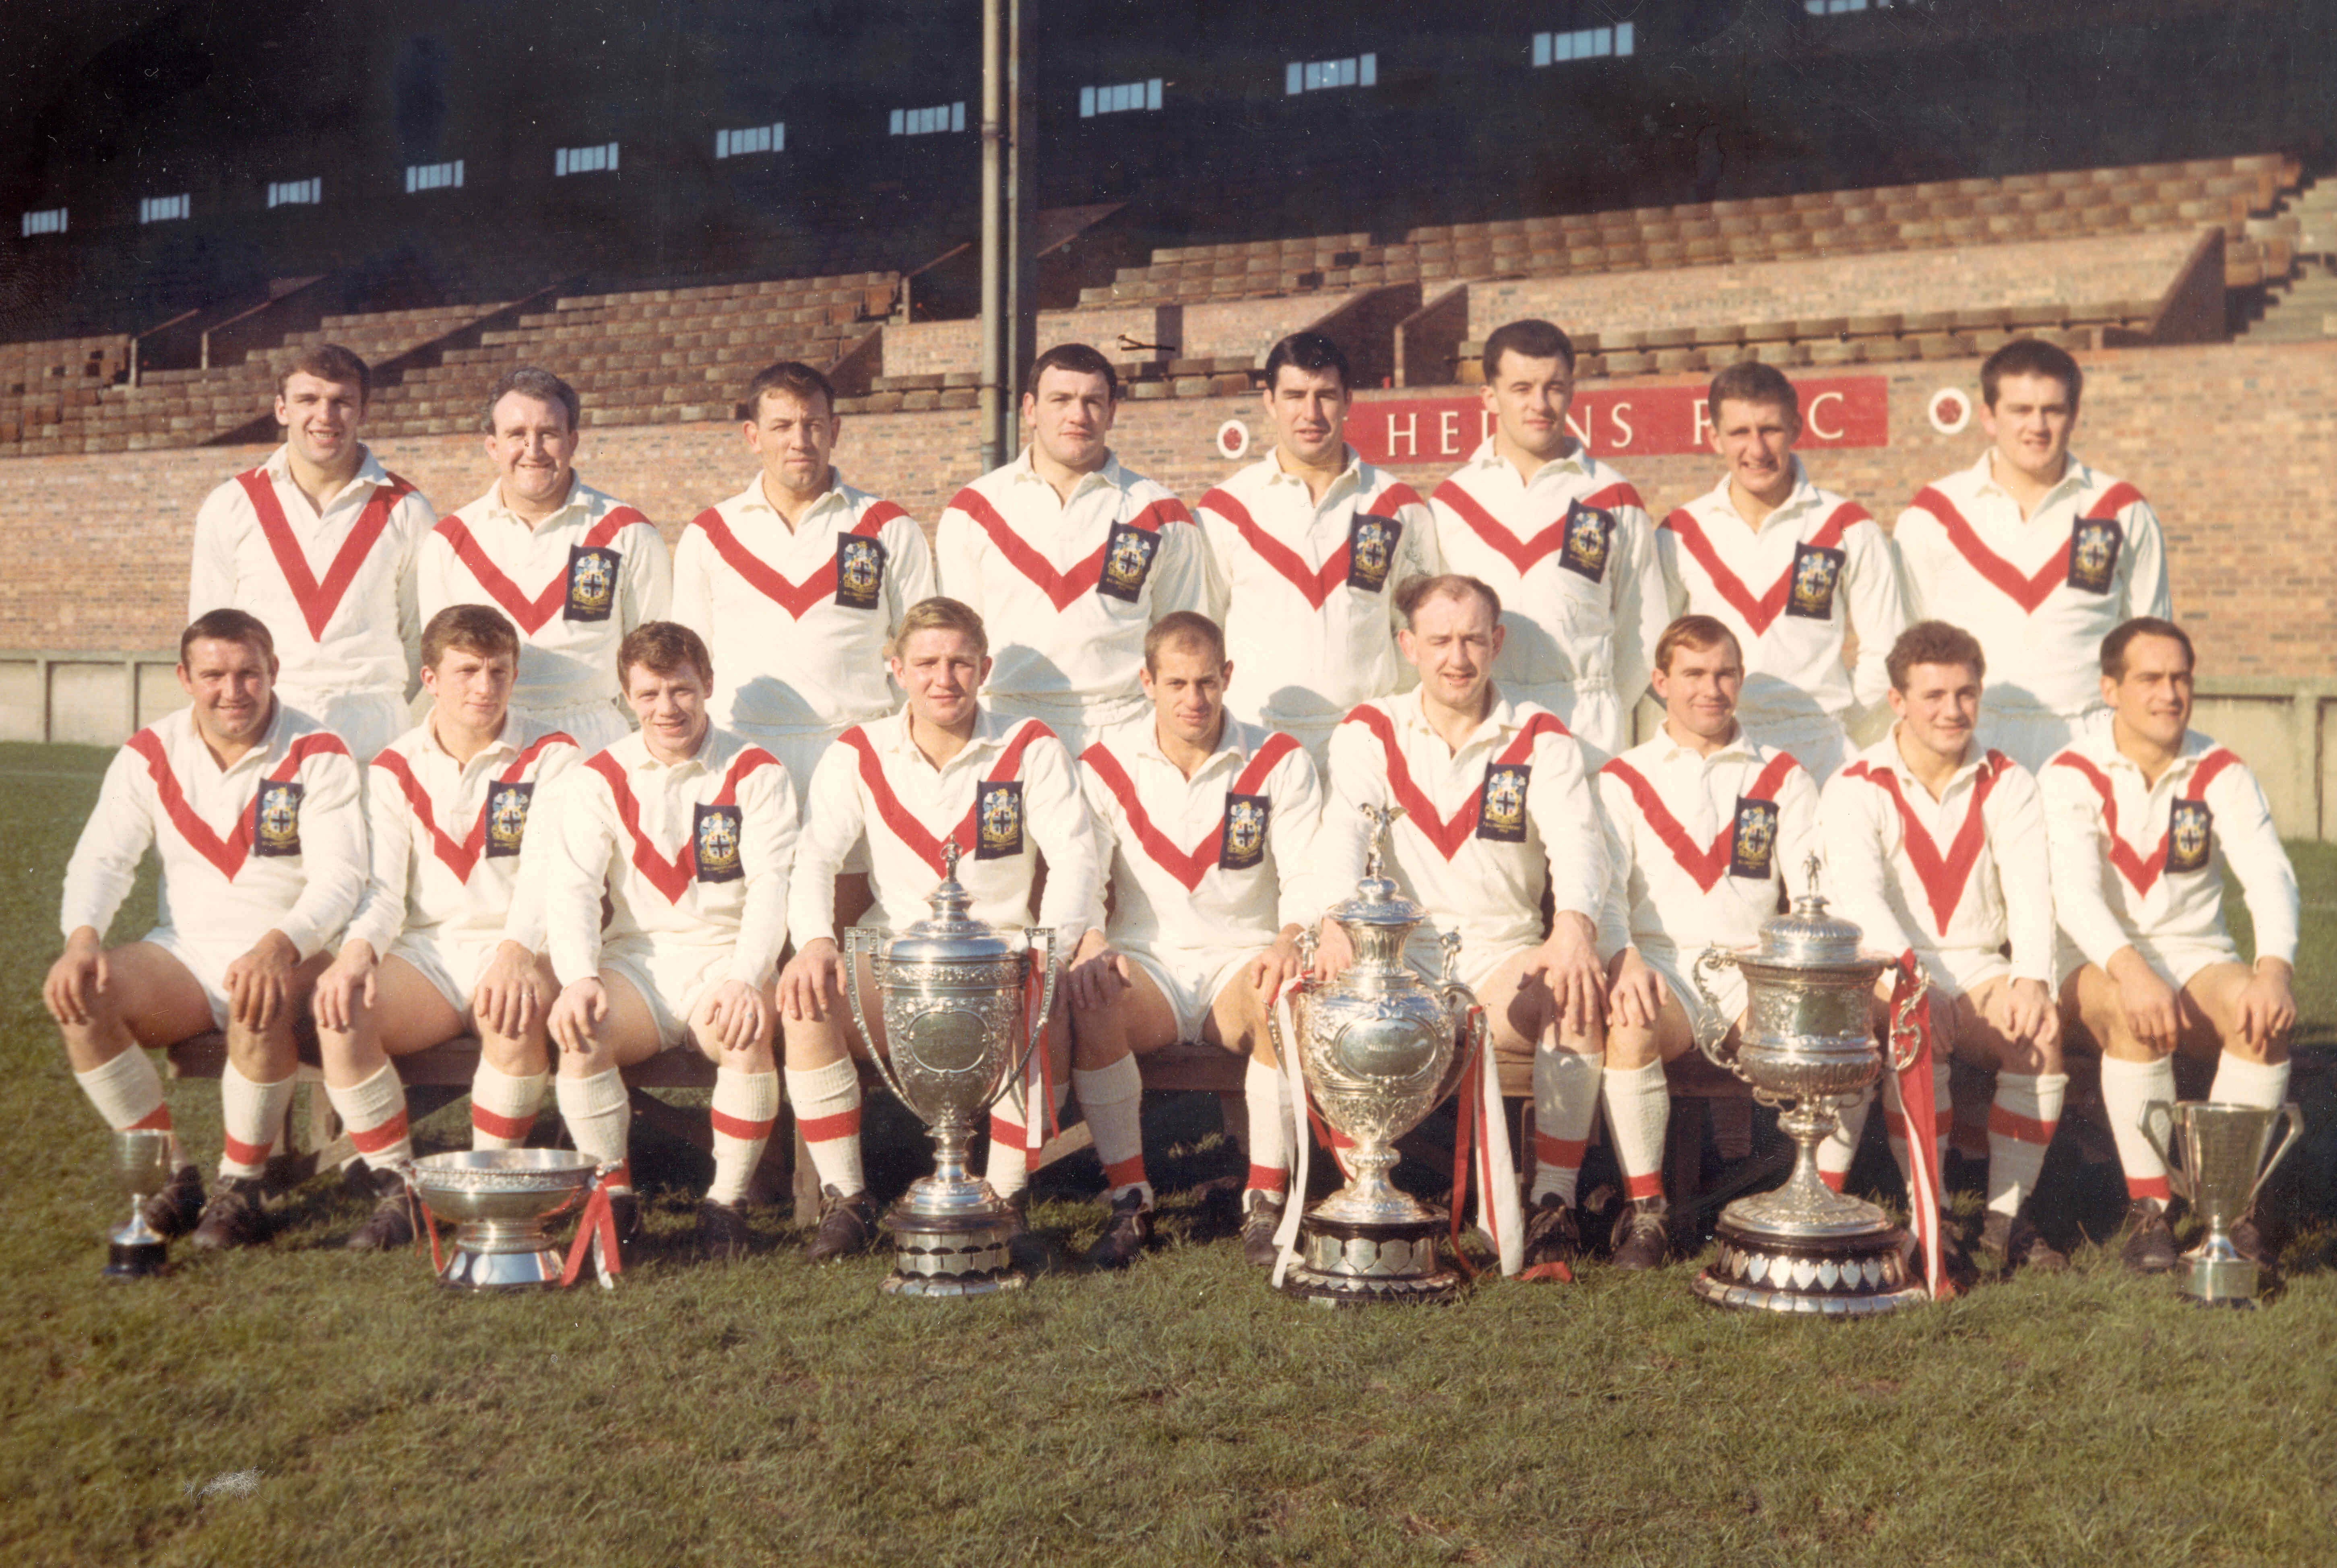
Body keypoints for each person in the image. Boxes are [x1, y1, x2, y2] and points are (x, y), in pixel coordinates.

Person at [777, 597, 1101, 1262]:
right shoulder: (860, 749)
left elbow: (1075, 857)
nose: (943, 679)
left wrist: (1050, 948)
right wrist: (813, 940)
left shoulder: (1029, 745)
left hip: (998, 951)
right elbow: (814, 857)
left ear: (985, 668)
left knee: (1034, 988)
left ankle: (1004, 1199)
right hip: (897, 953)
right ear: (897, 669)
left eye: (960, 663)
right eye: (926, 663)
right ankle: (847, 1197)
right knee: (809, 999)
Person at [1317, 574, 1611, 1273]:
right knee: (1315, 997)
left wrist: (1573, 926)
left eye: (1474, 640)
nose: (1458, 658)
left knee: (1573, 993)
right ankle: (1345, 1198)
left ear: (1497, 642)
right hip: (1398, 962)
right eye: (1441, 640)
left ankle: (1552, 1203)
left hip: (1501, 954)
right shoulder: (1370, 729)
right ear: (1408, 645)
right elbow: (1341, 834)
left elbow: (1579, 842)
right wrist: (1333, 922)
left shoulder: (1538, 735)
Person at [45, 609, 364, 1249]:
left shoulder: (317, 749)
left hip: (294, 950)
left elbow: (341, 879)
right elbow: (103, 859)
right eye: (214, 675)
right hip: (186, 952)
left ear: (274, 671)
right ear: (184, 678)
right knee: (83, 999)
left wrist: (277, 947)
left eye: (249, 673)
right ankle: (174, 1177)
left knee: (256, 998)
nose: (233, 691)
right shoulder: (151, 751)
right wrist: (82, 939)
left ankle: (241, 1187)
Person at [309, 605, 580, 1250]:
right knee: (343, 1011)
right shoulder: (394, 765)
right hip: (431, 953)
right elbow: (383, 890)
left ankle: (487, 1194)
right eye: (466, 672)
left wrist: (517, 952)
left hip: (522, 944)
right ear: (429, 679)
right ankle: (399, 1187)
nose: (484, 688)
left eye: (498, 671)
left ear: (515, 676)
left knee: (514, 1013)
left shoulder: (553, 755)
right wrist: (355, 953)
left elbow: (548, 876)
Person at [1068, 612, 1328, 1267]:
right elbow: (1083, 875)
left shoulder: (1278, 760)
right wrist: (1092, 939)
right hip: (1147, 964)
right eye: (1177, 683)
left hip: (1241, 960)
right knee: (1091, 993)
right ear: (1146, 682)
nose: (1194, 700)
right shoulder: (1104, 763)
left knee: (1282, 997)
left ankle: (1264, 1203)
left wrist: (1289, 939)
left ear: (1228, 676)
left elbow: (1308, 874)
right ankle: (1132, 1200)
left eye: (1207, 682)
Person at [2043, 617, 2298, 1274]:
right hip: (2093, 958)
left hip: (2194, 951)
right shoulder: (2070, 771)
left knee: (2260, 1016)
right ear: (2109, 689)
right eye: (2149, 679)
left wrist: (2273, 970)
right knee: (2133, 1011)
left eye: (2180, 678)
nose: (2169, 694)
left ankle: (2228, 1211)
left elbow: (2269, 873)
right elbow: (2073, 896)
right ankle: (2150, 1209)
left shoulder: (2219, 769)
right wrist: (2131, 971)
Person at [542, 623, 799, 1258]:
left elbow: (772, 887)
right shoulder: (598, 777)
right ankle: (615, 1201)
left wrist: (746, 977)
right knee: (583, 1033)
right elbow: (572, 889)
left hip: (726, 958)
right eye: (649, 694)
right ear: (626, 696)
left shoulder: (755, 770)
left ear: (707, 684)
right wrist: (578, 978)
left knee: (745, 1033)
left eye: (681, 690)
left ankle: (725, 1205)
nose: (667, 709)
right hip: (640, 963)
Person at [1819, 621, 2065, 1271]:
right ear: (1897, 701)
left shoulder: (2008, 781)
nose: (1952, 710)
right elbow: (1859, 899)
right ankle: (1933, 1214)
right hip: (1885, 968)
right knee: (1916, 1030)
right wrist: (1912, 982)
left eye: (1965, 693)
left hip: (1979, 964)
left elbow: (2032, 891)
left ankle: (2005, 1219)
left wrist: (2032, 979)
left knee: (2039, 1037)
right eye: (1932, 696)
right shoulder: (1855, 784)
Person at [1595, 615, 1821, 1267]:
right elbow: (1606, 896)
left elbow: (1813, 893)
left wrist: (1792, 975)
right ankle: (1646, 1212)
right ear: (1660, 681)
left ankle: (1811, 1203)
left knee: (1817, 1037)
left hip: (1751, 969)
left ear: (1741, 679)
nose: (1711, 689)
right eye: (1693, 673)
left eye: (1724, 674)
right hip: (1659, 965)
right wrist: (1625, 961)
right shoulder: (1623, 777)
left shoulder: (1782, 776)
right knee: (1631, 1024)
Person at [1894, 338, 2172, 772]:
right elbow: (1909, 644)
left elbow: (2153, 648)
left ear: (2073, 416)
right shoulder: (1932, 513)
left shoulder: (2121, 509)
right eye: (2020, 410)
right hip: (1973, 736)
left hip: (2091, 737)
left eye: (2053, 410)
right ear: (1989, 417)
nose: (2037, 426)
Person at [671, 359, 935, 798]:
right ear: (753, 436)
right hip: (742, 751)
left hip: (855, 749)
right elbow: (690, 662)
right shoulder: (709, 534)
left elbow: (923, 651)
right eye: (782, 426)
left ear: (835, 430)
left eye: (813, 425)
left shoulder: (888, 526)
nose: (800, 441)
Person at [935, 343, 1212, 757]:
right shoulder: (973, 510)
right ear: (1030, 409)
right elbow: (955, 643)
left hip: (1124, 729)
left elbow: (1184, 645)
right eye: (1061, 400)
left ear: (1112, 412)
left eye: (1092, 402)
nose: (1078, 416)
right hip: (1007, 724)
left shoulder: (1161, 512)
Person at [1194, 331, 1441, 764]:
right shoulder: (1226, 509)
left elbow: (1417, 635)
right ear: (1270, 402)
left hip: (1366, 744)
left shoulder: (1398, 507)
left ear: (1348, 400)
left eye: (1325, 396)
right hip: (1255, 740)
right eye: (1294, 396)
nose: (1310, 413)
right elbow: (1203, 631)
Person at [1428, 319, 1664, 759]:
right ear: (1489, 397)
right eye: (1521, 389)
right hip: (1483, 728)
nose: (1539, 404)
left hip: (1587, 733)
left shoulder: (1612, 497)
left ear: (1571, 391)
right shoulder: (1450, 503)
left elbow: (1645, 635)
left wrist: (1599, 704)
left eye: (1553, 388)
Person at [1657, 361, 1906, 780]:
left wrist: (1836, 723)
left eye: (1770, 430)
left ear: (1795, 428)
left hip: (1819, 747)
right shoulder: (1681, 532)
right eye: (1739, 432)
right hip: (1717, 747)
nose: (1756, 450)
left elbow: (1887, 648)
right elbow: (1655, 651)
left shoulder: (1847, 525)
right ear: (1715, 438)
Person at [188, 345, 436, 761]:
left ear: (363, 411)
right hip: (264, 733)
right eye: (308, 399)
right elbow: (207, 634)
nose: (325, 416)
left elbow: (420, 637)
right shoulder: (230, 505)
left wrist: (373, 704)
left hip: (371, 738)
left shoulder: (409, 510)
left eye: (342, 401)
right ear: (282, 409)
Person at [419, 367, 671, 750]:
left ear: (572, 441)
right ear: (493, 446)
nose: (533, 450)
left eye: (549, 434)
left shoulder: (627, 532)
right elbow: (442, 667)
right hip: (489, 737)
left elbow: (652, 661)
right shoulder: (449, 541)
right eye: (516, 435)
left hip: (593, 737)